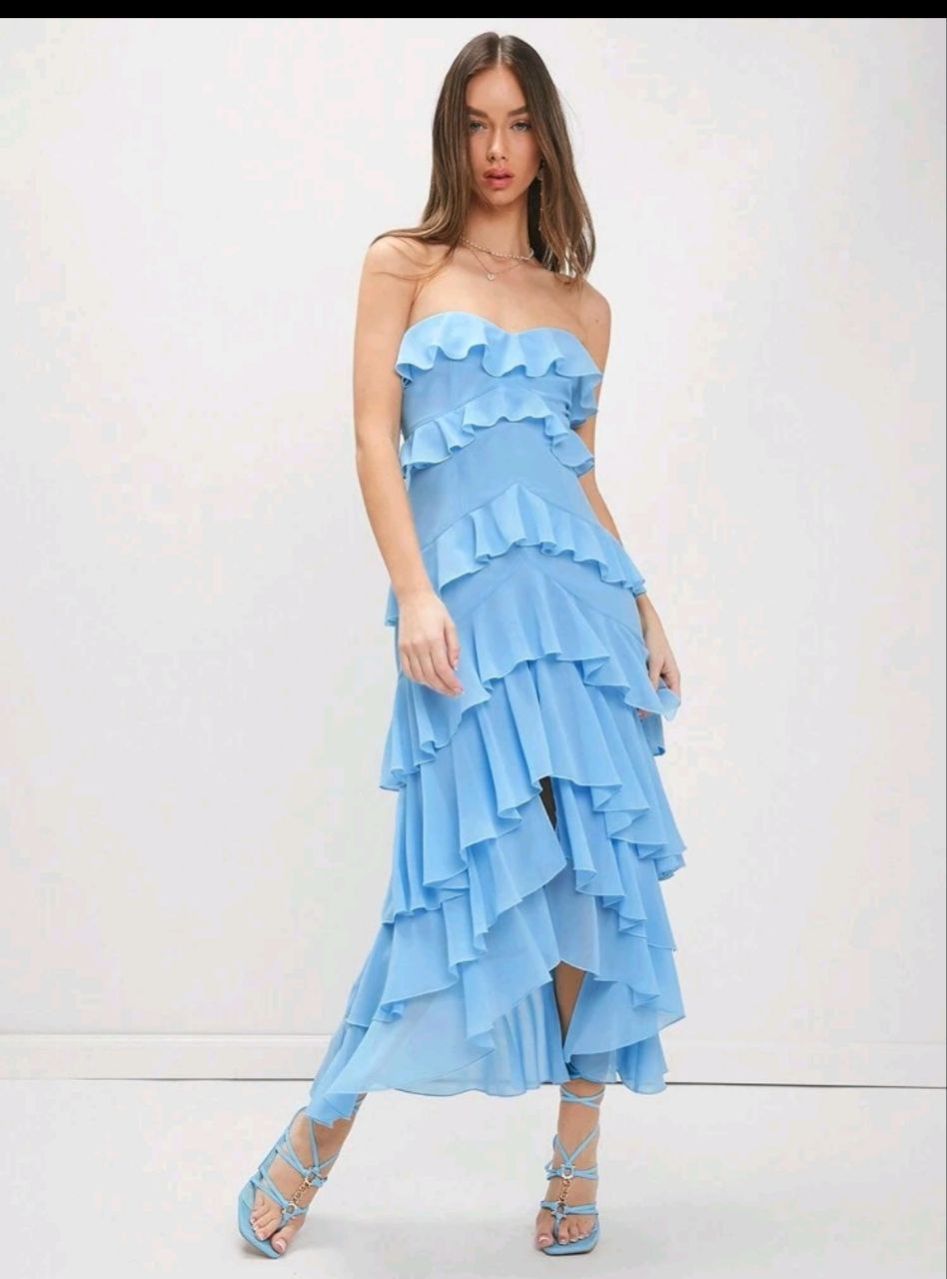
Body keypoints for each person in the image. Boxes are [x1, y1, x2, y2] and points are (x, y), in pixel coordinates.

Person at [237, 30, 686, 1260]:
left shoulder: (583, 308)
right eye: (477, 123)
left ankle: (574, 1158)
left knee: (595, 875)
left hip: (578, 621)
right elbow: (372, 437)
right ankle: (320, 1128)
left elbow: (576, 475)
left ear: (546, 139)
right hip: (461, 621)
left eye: (518, 123)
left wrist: (642, 605)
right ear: (453, 135)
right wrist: (412, 591)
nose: (497, 148)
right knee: (441, 885)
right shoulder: (401, 263)